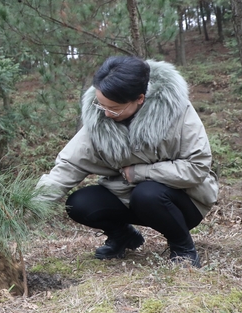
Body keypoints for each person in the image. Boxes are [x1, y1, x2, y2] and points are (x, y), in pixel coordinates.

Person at [36, 56, 218, 268]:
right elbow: (68, 166)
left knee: (147, 194)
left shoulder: (178, 111)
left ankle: (183, 248)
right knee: (79, 203)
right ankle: (123, 236)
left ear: (140, 99)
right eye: (100, 103)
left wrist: (139, 173)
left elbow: (197, 166)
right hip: (130, 198)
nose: (105, 112)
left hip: (184, 201)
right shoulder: (100, 119)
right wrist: (27, 207)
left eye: (113, 108)